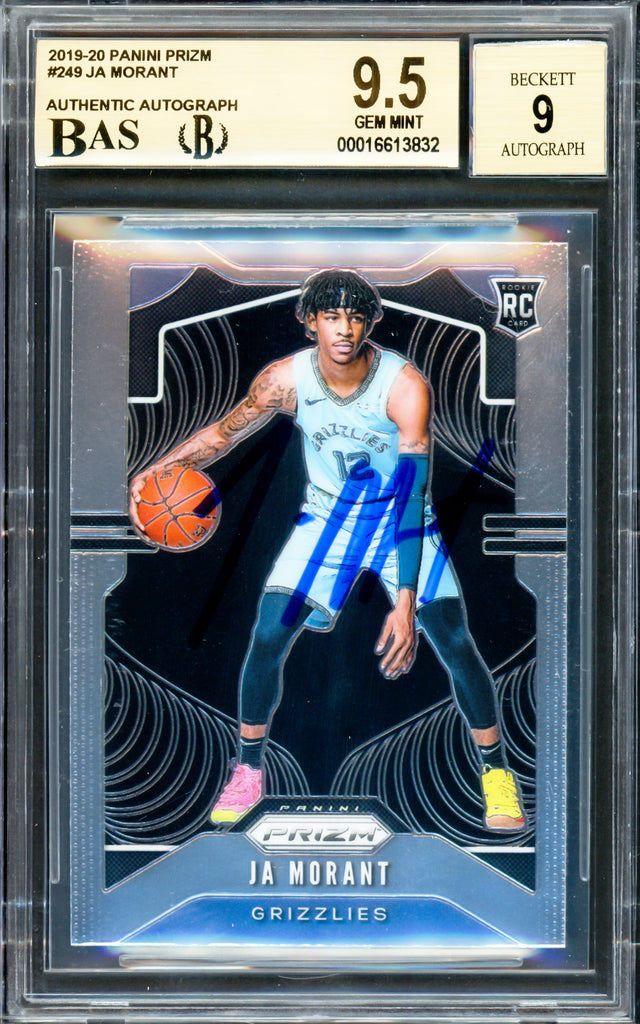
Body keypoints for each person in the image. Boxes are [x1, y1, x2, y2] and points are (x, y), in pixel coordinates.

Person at [130, 268, 525, 832]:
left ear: (370, 323)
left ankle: (496, 774)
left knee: (453, 638)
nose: (345, 328)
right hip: (328, 523)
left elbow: (412, 494)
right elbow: (223, 433)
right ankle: (248, 771)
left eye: (356, 317)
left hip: (397, 523)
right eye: (332, 316)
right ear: (309, 321)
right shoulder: (283, 381)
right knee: (269, 633)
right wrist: (156, 471)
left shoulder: (404, 386)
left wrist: (405, 604)